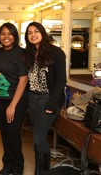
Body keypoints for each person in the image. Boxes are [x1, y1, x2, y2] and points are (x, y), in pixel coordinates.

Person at [24, 22, 66, 175]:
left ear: (42, 33)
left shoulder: (56, 52)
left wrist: (52, 103)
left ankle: (43, 172)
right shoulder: (29, 54)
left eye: (36, 31)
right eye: (29, 33)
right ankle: (38, 168)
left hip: (48, 99)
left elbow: (62, 79)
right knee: (36, 136)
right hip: (32, 97)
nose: (33, 34)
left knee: (38, 137)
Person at [0, 23, 28, 175]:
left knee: (12, 133)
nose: (6, 36)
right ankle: (8, 164)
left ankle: (18, 166)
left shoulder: (21, 53)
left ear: (15, 36)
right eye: (3, 34)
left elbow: (23, 79)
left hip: (15, 99)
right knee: (4, 132)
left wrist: (12, 106)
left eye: (9, 33)